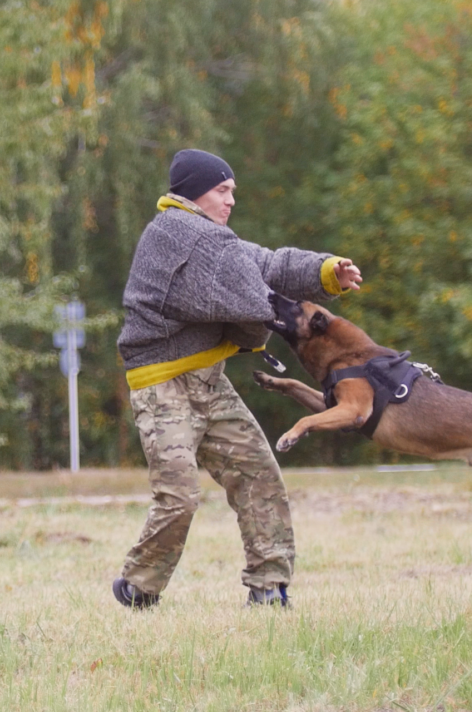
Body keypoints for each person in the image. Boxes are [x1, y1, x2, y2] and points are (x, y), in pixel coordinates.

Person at [112, 148, 363, 608]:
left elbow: (264, 264)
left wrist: (326, 271)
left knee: (258, 475)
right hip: (162, 387)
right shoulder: (173, 235)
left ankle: (269, 587)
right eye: (222, 191)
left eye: (233, 193)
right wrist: (285, 313)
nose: (230, 202)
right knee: (180, 498)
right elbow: (247, 288)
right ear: (193, 194)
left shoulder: (212, 238)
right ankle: (138, 586)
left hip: (209, 381)